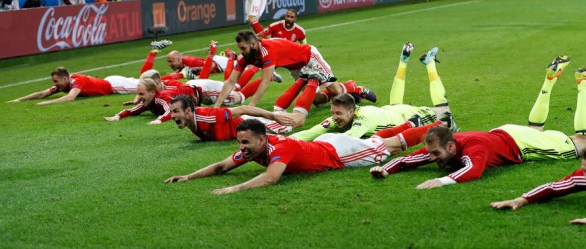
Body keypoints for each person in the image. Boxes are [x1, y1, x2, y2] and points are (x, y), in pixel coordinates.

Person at [370, 55, 586, 190]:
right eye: (432, 153)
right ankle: (550, 81)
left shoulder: (475, 149)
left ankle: (584, 84)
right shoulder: (443, 144)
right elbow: (410, 159)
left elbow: (473, 172)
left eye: (435, 154)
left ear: (451, 147)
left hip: (519, 143)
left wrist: (441, 181)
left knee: (584, 143)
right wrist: (385, 168)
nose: (431, 158)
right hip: (506, 133)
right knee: (535, 130)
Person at [163, 118, 424, 194]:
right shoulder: (253, 148)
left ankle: (437, 128)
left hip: (340, 154)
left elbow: (270, 178)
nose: (241, 148)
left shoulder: (279, 149)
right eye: (239, 142)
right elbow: (222, 166)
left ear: (261, 139)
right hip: (326, 144)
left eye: (245, 142)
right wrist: (188, 176)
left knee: (389, 148)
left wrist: (234, 188)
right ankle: (415, 123)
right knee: (376, 141)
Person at [290, 43, 457, 141]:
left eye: (337, 114)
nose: (334, 117)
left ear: (351, 111)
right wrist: (283, 140)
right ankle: (408, 62)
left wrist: (313, 145)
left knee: (444, 110)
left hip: (409, 116)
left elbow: (346, 140)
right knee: (396, 104)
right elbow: (311, 132)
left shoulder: (363, 120)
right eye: (334, 113)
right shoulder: (342, 114)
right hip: (389, 112)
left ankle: (429, 64)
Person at [213, 31, 373, 127]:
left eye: (243, 48)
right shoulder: (245, 57)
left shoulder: (266, 50)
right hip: (296, 68)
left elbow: (265, 80)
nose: (240, 51)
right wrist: (217, 107)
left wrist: (250, 108)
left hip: (309, 57)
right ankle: (349, 88)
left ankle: (354, 88)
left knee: (337, 93)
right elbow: (231, 82)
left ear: (253, 45)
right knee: (317, 100)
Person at [168, 95, 294, 141]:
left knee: (295, 122)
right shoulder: (190, 120)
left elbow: (242, 109)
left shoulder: (208, 116)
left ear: (188, 111)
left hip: (251, 124)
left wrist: (273, 116)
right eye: (171, 112)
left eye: (176, 111)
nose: (172, 116)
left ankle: (308, 81)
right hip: (244, 131)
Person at [8, 67, 139, 105]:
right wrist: (18, 100)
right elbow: (42, 93)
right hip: (110, 81)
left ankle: (154, 51)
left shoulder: (77, 81)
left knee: (147, 87)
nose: (55, 84)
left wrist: (47, 103)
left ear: (65, 78)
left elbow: (71, 98)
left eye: (55, 81)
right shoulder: (64, 85)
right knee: (144, 82)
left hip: (115, 86)